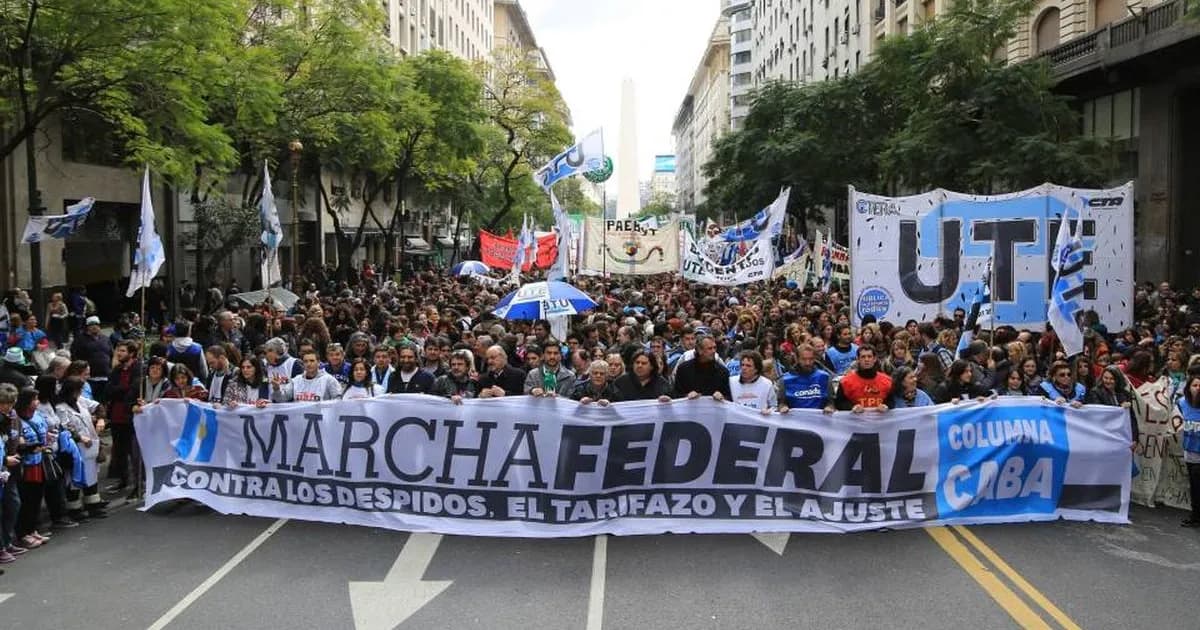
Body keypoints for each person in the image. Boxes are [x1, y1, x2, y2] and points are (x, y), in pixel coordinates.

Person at [55, 377, 107, 521]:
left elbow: (98, 407)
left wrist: (101, 418)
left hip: (90, 447)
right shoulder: (61, 408)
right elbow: (64, 427)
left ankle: (93, 505)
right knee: (74, 479)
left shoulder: (81, 401)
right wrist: (79, 437)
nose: (79, 393)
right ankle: (75, 509)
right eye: (78, 390)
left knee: (91, 476)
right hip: (75, 448)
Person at [105, 341, 142, 493]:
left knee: (134, 452)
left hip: (131, 415)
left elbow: (133, 389)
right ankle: (122, 480)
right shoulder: (117, 370)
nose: (118, 354)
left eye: (122, 351)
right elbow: (109, 390)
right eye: (118, 351)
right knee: (119, 451)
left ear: (131, 353)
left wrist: (120, 390)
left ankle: (138, 484)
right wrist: (122, 389)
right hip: (116, 415)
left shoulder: (138, 369)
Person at [829, 346, 892, 413]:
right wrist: (852, 407)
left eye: (869, 356)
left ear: (875, 359)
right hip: (855, 421)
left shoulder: (887, 381)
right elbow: (839, 403)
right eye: (863, 357)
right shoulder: (846, 381)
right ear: (858, 359)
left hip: (879, 421)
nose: (866, 359)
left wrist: (886, 406)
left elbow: (891, 401)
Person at [672, 336, 732, 400]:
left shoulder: (723, 372)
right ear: (699, 350)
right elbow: (676, 395)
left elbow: (730, 397)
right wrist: (686, 396)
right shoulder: (684, 369)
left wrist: (722, 397)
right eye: (710, 348)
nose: (713, 351)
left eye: (715, 348)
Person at [776, 344, 831, 413]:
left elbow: (831, 402)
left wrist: (829, 407)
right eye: (804, 359)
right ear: (797, 359)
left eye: (811, 359)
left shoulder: (825, 377)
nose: (807, 363)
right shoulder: (785, 379)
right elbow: (780, 403)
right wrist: (783, 407)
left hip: (819, 421)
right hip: (794, 421)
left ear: (814, 358)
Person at [273, 350, 343, 402]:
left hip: (322, 420)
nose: (308, 364)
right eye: (305, 361)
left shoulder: (329, 380)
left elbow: (338, 401)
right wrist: (276, 389)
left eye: (312, 361)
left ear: (318, 363)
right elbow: (281, 399)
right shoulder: (296, 380)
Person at [70, 316, 112, 402]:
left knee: (103, 402)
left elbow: (111, 354)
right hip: (88, 378)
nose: (94, 326)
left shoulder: (105, 339)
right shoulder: (79, 339)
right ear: (87, 327)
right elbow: (74, 357)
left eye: (96, 324)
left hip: (105, 377)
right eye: (91, 324)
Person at [1177, 374, 1200, 527]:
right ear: (1188, 387)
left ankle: (1196, 517)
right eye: (1195, 385)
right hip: (1189, 452)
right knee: (1193, 486)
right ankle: (1195, 514)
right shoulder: (1182, 403)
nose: (1198, 389)